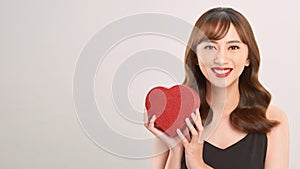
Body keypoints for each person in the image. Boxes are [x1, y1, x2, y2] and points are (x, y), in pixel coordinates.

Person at [144, 7, 289, 169]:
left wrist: (197, 161)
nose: (221, 59)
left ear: (248, 57)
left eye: (233, 47)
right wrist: (176, 150)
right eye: (210, 47)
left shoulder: (273, 119)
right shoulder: (172, 115)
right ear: (196, 58)